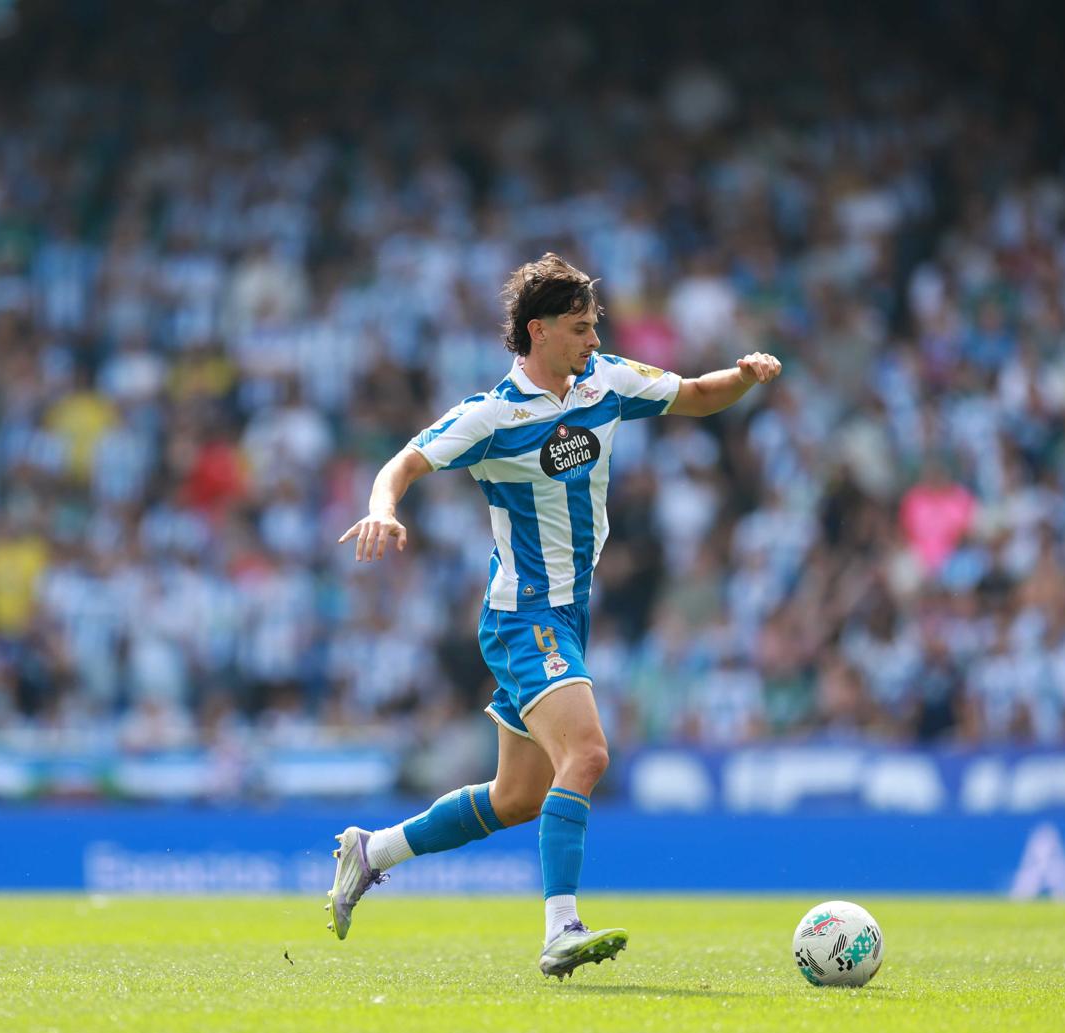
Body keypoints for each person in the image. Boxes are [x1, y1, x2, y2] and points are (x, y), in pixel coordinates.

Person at [328, 254, 781, 978]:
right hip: (522, 614)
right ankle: (561, 929)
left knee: (516, 799)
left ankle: (370, 851)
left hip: (570, 612)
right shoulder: (493, 415)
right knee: (590, 756)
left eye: (595, 325)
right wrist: (381, 510)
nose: (593, 340)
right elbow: (404, 463)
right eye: (579, 328)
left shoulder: (604, 384)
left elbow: (695, 394)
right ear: (537, 331)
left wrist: (744, 375)